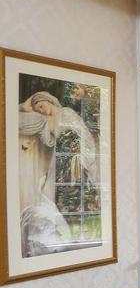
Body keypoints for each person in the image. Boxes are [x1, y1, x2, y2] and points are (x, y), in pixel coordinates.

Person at [17, 89, 98, 256]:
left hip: (75, 157)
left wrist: (81, 156)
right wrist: (28, 105)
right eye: (38, 109)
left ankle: (84, 229)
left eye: (41, 105)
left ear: (49, 100)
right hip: (62, 160)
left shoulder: (66, 112)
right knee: (63, 193)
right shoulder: (46, 123)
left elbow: (82, 132)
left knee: (79, 190)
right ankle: (68, 231)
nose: (41, 110)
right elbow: (45, 138)